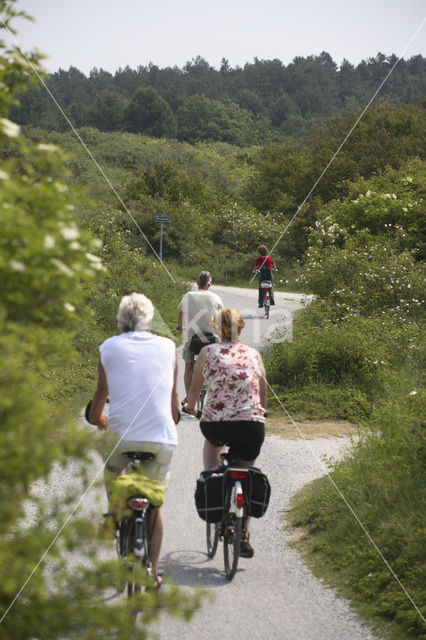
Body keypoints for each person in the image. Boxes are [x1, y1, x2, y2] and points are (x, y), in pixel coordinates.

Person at [89, 292, 179, 589]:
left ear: (120, 321)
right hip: (161, 440)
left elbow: (101, 397)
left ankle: (114, 515)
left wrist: (98, 419)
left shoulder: (108, 347)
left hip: (122, 439)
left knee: (113, 469)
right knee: (153, 505)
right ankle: (152, 572)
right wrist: (171, 421)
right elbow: (173, 403)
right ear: (149, 322)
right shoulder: (169, 347)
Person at [184, 308, 267, 558]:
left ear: (215, 329)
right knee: (247, 470)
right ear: (241, 330)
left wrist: (190, 407)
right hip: (251, 425)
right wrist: (260, 412)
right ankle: (243, 532)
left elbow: (196, 388)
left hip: (216, 424)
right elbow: (262, 389)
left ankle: (212, 484)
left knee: (212, 445)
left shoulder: (207, 352)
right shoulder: (254, 353)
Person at [176, 270, 223, 401]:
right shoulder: (215, 297)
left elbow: (181, 311)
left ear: (197, 283)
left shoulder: (189, 295)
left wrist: (180, 326)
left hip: (192, 339)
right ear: (210, 284)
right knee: (215, 364)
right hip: (212, 338)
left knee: (189, 365)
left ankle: (189, 397)